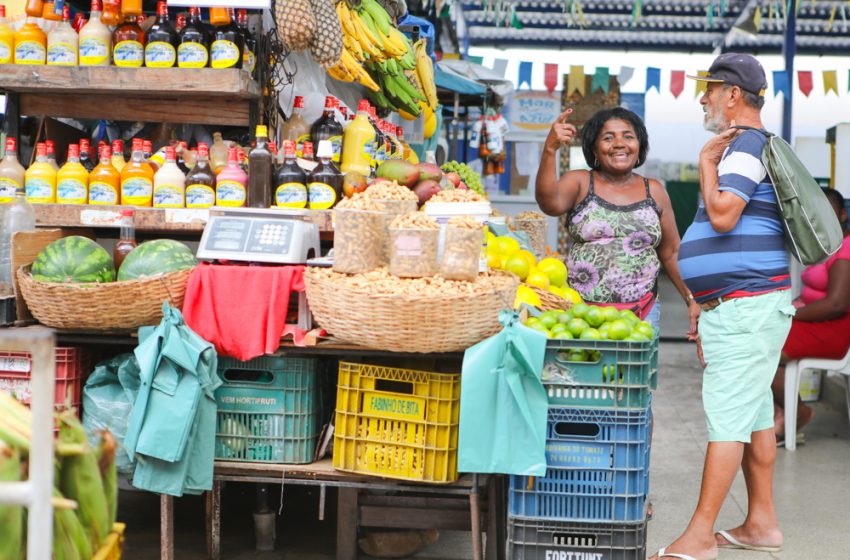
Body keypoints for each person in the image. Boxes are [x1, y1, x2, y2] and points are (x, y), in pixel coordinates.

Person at [652, 53, 795, 560]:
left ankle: (699, 536)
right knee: (754, 416)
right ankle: (761, 523)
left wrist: (707, 164)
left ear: (732, 95)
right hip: (738, 304)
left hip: (747, 305)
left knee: (728, 419)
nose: (702, 98)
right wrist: (701, 300)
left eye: (709, 89)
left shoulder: (741, 146)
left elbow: (724, 214)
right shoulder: (752, 145)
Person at [535, 106, 700, 333]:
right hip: (581, 312)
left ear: (639, 145)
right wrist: (549, 150)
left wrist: (691, 298)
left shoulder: (654, 190)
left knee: (634, 368)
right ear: (594, 148)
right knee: (586, 368)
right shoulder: (580, 182)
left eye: (628, 136)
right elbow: (549, 203)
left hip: (642, 311)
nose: (619, 143)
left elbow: (671, 251)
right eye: (608, 138)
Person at [772, 188, 850, 446]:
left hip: (834, 329)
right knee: (761, 337)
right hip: (815, 321)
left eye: (829, 212)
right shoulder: (824, 246)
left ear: (842, 214)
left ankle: (797, 413)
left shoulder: (846, 247)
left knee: (765, 349)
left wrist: (792, 313)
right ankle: (784, 413)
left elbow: (836, 304)